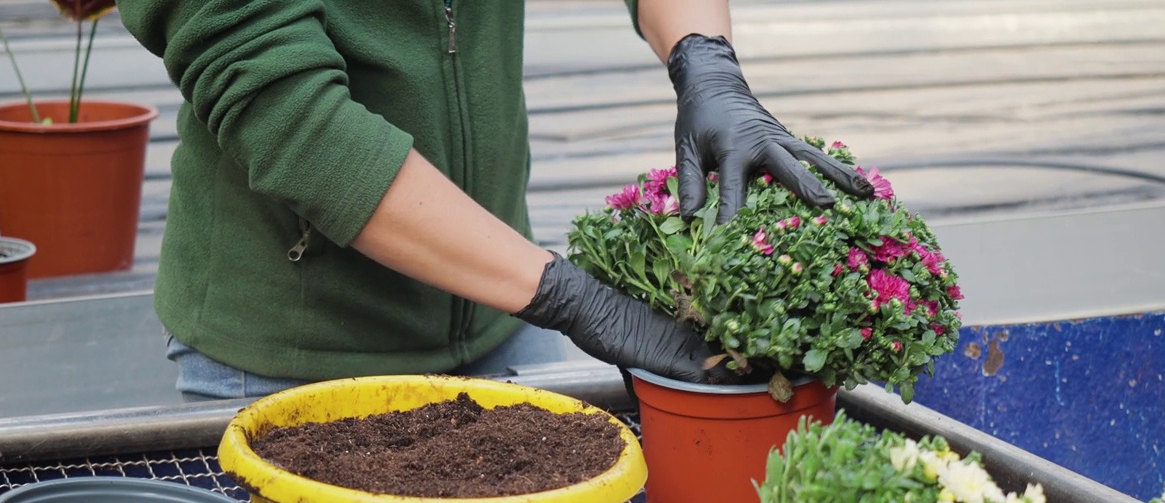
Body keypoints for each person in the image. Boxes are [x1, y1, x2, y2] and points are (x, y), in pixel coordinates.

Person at [116, 0, 872, 401]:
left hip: (500, 327)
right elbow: (299, 127)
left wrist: (706, 62)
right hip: (296, 360)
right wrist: (575, 300)